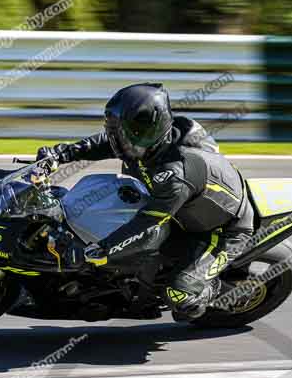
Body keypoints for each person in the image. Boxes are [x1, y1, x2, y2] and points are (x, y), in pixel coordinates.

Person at [36, 83, 254, 321]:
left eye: (126, 134)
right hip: (181, 211)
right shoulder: (151, 141)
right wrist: (61, 154)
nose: (119, 142)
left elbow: (149, 221)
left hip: (223, 231)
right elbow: (107, 142)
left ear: (152, 130)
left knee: (181, 296)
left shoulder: (174, 174)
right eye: (117, 132)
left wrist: (104, 248)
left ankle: (217, 292)